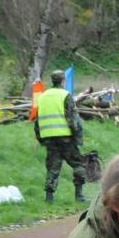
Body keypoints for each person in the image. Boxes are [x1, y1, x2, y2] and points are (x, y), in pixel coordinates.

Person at [35, 69, 87, 203]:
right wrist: (77, 136)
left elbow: (37, 120)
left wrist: (40, 138)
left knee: (52, 167)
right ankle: (79, 196)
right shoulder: (65, 95)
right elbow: (72, 119)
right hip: (66, 137)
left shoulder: (42, 96)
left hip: (49, 138)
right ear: (63, 81)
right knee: (78, 164)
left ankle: (49, 198)